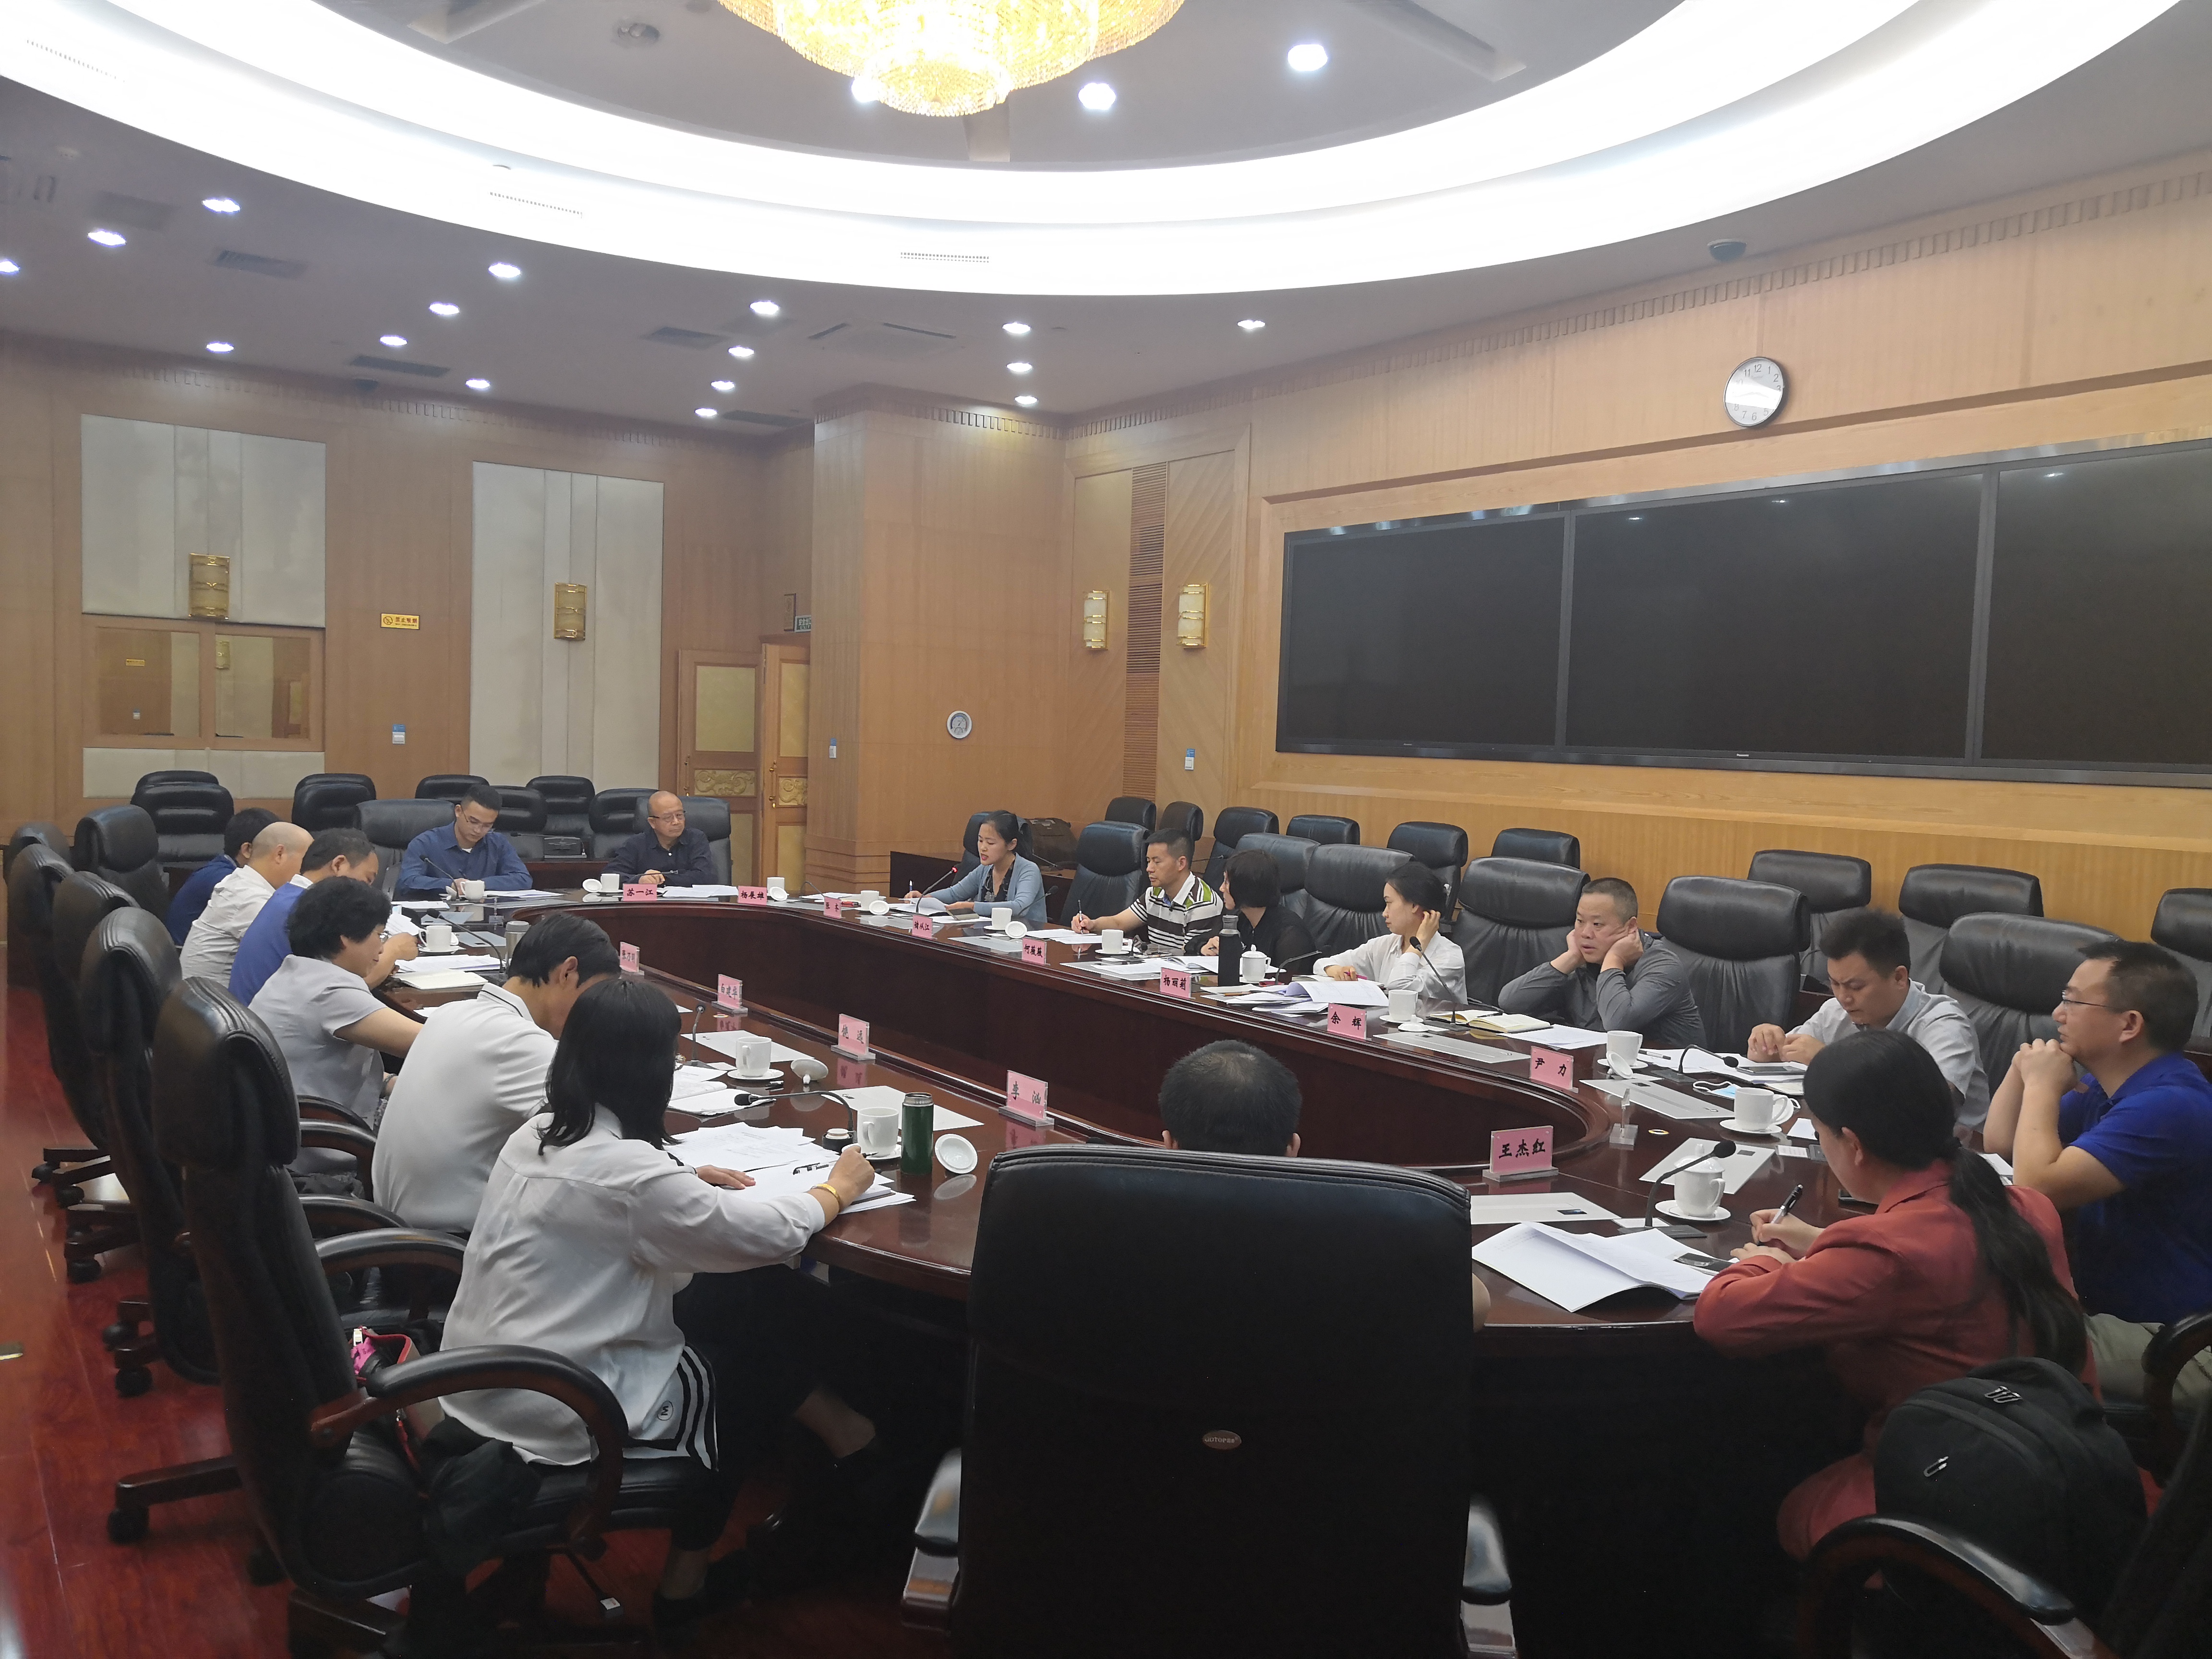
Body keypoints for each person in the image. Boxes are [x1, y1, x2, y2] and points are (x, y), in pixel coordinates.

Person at [437, 979, 881, 1635]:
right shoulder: (630, 1177)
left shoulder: (538, 1134)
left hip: (481, 1378)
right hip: (558, 1404)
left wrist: (683, 1182)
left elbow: (617, 1201)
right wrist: (837, 1190)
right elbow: (765, 1233)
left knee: (736, 1305)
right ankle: (687, 1586)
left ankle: (848, 1436)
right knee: (745, 1375)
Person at [1694, 1029, 2088, 1560]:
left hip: (1958, 1499)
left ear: (1853, 1144)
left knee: (1782, 1500)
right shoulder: (2024, 1205)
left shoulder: (1887, 1252)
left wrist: (1764, 1263)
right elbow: (1947, 1254)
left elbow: (1720, 1318)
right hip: (2063, 1464)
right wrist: (1822, 1243)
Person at [1984, 940, 2212, 1409]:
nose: (2057, 1014)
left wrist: (2042, 1084)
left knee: (1980, 1331)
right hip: (2117, 1315)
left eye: (2072, 1001)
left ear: (2129, 1025)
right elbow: (2002, 1142)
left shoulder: (2170, 1106)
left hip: (2181, 1342)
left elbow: (2036, 1187)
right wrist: (2023, 1067)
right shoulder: (2109, 1088)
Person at [1156, 1038, 1489, 1326]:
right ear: (1293, 1149)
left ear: (1170, 1146)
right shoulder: (1370, 1229)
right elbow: (1474, 1306)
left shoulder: (1132, 1215)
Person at [372, 913, 620, 1232]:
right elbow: (602, 1141)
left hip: (394, 1229)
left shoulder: (452, 1012)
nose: (593, 1014)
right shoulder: (520, 1042)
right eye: (593, 997)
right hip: (449, 1244)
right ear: (568, 972)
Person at [1747, 907, 1989, 1127]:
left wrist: (1831, 1062)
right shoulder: (1835, 1012)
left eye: (1856, 986)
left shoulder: (1944, 1024)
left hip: (1946, 1149)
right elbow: (1791, 1053)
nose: (1843, 998)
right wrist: (1768, 1050)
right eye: (1834, 984)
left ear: (1899, 978)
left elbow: (1932, 1105)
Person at [247, 877, 420, 1126]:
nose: (382, 949)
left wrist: (388, 1082)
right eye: (379, 935)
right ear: (346, 938)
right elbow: (428, 1042)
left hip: (287, 1121)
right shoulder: (331, 992)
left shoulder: (294, 973)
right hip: (322, 1135)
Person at [1497, 877, 1704, 1046]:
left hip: (1665, 1077)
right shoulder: (1580, 956)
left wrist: (1615, 959)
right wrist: (1571, 957)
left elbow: (1617, 1024)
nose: (1585, 933)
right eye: (1580, 921)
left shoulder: (1663, 967)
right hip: (1596, 1066)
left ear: (1631, 927)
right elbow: (1510, 1003)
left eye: (1597, 924)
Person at [228, 827, 418, 1006]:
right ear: (338, 865)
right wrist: (394, 951)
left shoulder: (287, 895)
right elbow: (348, 989)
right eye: (367, 880)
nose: (367, 890)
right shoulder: (308, 910)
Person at [1314, 860, 1466, 1016]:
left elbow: (1399, 989)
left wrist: (1418, 943)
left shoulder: (1449, 957)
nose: (1384, 913)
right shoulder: (1386, 944)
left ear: (1414, 905)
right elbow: (1321, 965)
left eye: (1389, 903)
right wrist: (1338, 970)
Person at [179, 820, 311, 985]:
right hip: (215, 999)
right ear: (280, 854)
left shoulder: (242, 882)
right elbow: (301, 955)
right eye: (307, 860)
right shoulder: (250, 898)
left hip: (207, 994)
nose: (309, 869)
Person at [1071, 829, 1223, 957]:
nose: (1149, 869)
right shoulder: (1154, 893)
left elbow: (1191, 953)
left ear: (1181, 863)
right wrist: (1092, 924)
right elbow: (1119, 923)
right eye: (1149, 861)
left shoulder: (1202, 903)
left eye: (1157, 862)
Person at [907, 810, 1046, 929]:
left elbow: (1020, 907)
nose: (983, 848)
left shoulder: (1028, 870)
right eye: (980, 841)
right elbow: (955, 894)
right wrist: (925, 898)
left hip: (1023, 938)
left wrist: (973, 907)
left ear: (1011, 845)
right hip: (988, 936)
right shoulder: (985, 869)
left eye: (990, 843)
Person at [1198, 848, 1319, 978]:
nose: (1221, 888)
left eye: (1227, 882)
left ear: (1245, 887)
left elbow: (1290, 981)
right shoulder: (1241, 918)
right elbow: (1195, 943)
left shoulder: (1291, 934)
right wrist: (1204, 948)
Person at [395, 783, 530, 898]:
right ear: (459, 811)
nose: (478, 830)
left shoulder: (498, 843)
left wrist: (479, 885)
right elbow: (407, 882)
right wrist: (451, 885)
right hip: (437, 916)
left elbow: (523, 879)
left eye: (487, 825)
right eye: (473, 822)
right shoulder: (425, 843)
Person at [165, 807, 276, 945]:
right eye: (277, 851)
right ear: (247, 850)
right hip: (185, 952)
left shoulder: (222, 866)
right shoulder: (227, 881)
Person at [604, 791, 716, 889]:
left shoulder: (696, 839)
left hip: (689, 904)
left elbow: (705, 877)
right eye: (668, 818)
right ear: (653, 822)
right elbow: (611, 875)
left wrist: (662, 879)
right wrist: (639, 880)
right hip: (649, 905)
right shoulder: (636, 844)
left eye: (679, 815)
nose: (676, 822)